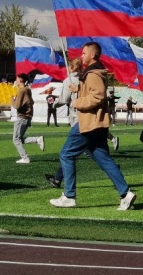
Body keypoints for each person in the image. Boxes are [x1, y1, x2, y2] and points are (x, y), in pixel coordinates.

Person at [49, 42, 136, 210]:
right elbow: (93, 92)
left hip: (88, 123)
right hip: (98, 124)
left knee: (66, 155)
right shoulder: (94, 73)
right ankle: (126, 193)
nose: (81, 56)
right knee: (104, 160)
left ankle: (69, 196)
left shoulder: (93, 73)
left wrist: (78, 101)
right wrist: (78, 89)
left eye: (83, 53)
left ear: (93, 55)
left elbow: (97, 96)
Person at [46, 58, 83, 189]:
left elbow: (64, 99)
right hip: (86, 118)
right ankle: (57, 178)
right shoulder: (84, 79)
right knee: (94, 151)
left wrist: (54, 104)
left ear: (71, 67)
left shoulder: (69, 80)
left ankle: (66, 189)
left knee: (67, 152)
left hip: (77, 119)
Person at [12, 73, 44, 163]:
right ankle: (37, 139)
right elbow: (32, 102)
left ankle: (25, 158)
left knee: (16, 139)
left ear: (21, 80)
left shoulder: (21, 91)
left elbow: (17, 106)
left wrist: (12, 100)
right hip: (27, 117)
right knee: (19, 138)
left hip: (22, 117)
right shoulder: (28, 90)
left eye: (17, 79)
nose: (16, 80)